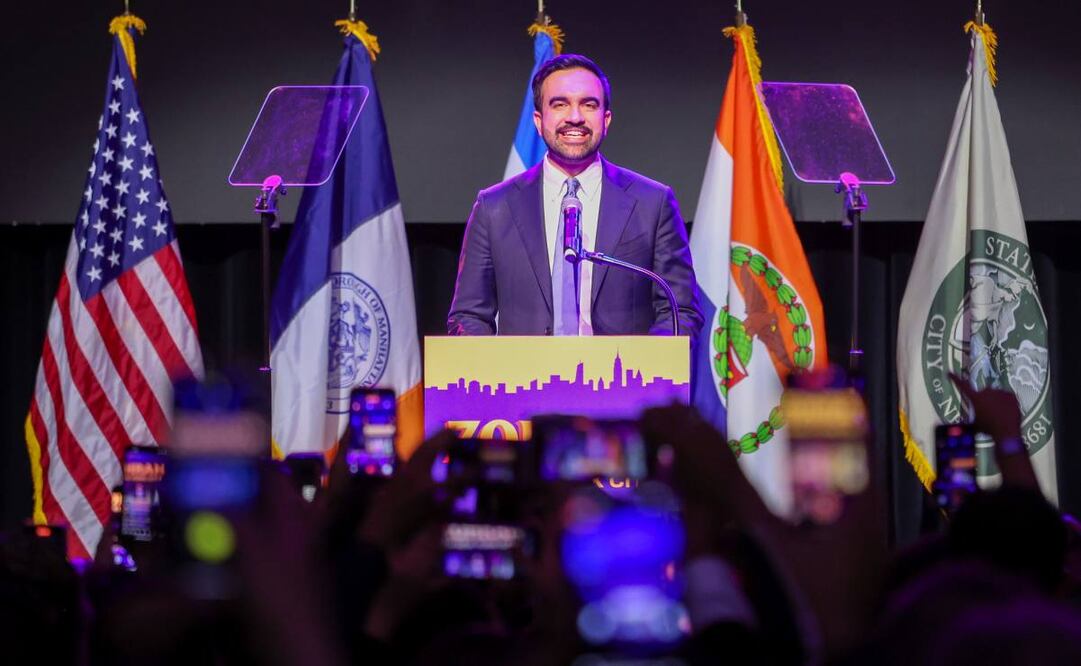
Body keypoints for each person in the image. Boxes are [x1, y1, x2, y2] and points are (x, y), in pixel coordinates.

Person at [447, 54, 702, 339]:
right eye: (560, 104)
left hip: (621, 380)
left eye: (588, 105)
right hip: (523, 381)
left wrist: (643, 372)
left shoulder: (652, 204)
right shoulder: (494, 208)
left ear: (606, 119)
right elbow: (469, 316)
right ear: (538, 119)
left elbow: (680, 312)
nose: (575, 117)